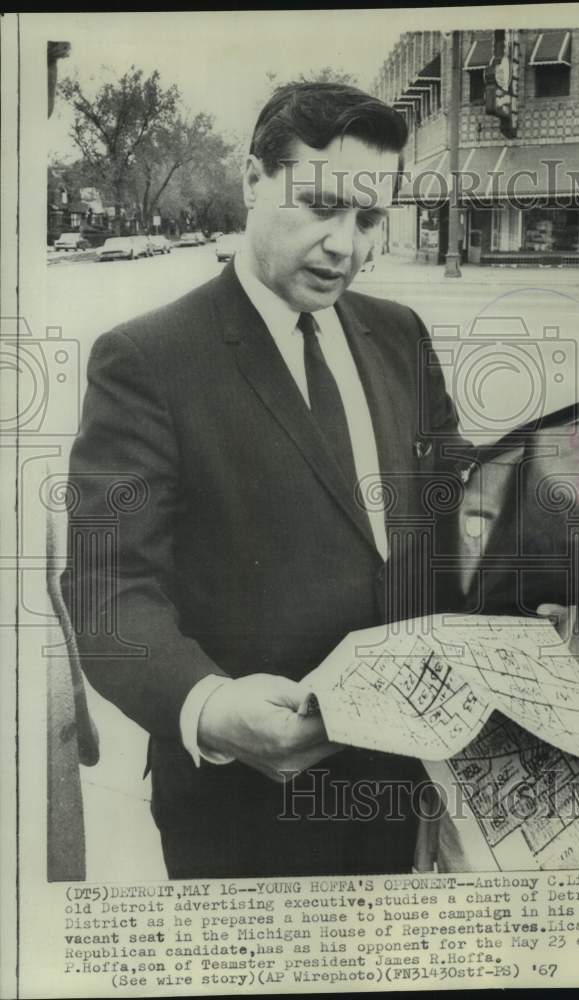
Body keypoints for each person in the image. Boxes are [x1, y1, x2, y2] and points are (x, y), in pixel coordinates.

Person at [62, 82, 465, 879]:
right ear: (252, 181)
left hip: (412, 782)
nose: (345, 247)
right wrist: (207, 707)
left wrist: (568, 537)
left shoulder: (400, 334)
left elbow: (456, 507)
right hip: (245, 814)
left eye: (369, 218)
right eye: (319, 205)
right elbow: (109, 591)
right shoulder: (145, 360)